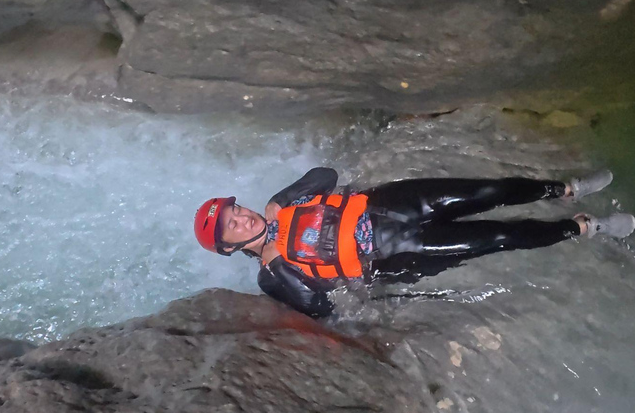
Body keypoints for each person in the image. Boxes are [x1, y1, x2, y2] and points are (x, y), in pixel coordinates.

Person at [194, 168, 635, 318]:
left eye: (236, 210)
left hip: (391, 204)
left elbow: (325, 176)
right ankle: (583, 227)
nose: (243, 216)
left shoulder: (278, 207)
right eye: (232, 226)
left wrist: (281, 201)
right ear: (229, 248)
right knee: (499, 237)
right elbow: (320, 309)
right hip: (397, 253)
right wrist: (288, 267)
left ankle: (562, 189)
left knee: (489, 191)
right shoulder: (272, 275)